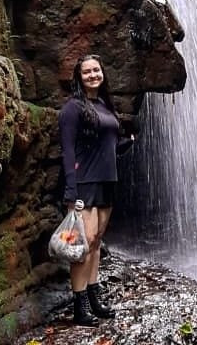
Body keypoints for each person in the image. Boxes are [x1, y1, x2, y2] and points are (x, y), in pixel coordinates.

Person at [58, 54, 134, 326]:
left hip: (107, 181)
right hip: (84, 182)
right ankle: (79, 306)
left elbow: (108, 145)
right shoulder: (72, 108)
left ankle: (93, 297)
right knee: (82, 243)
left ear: (103, 73)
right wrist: (71, 190)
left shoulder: (104, 105)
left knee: (97, 240)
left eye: (96, 70)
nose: (93, 75)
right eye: (87, 72)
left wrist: (127, 143)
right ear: (79, 77)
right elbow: (67, 152)